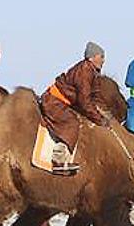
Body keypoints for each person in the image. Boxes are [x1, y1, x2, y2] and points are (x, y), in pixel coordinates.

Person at [40, 41, 109, 172]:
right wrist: (99, 119)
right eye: (101, 57)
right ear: (92, 57)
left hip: (59, 101)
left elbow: (95, 94)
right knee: (71, 123)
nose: (103, 60)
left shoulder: (91, 71)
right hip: (54, 102)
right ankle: (58, 160)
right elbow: (84, 101)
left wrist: (102, 112)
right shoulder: (85, 72)